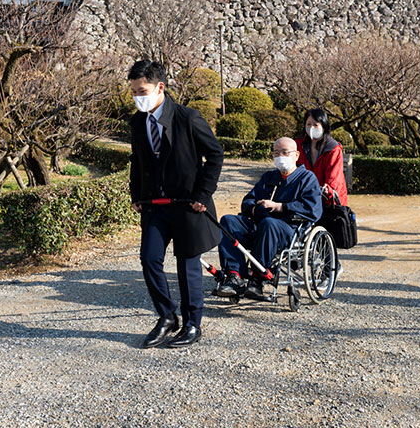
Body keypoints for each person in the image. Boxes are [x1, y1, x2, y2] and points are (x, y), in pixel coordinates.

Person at [128, 60, 224, 349]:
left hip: (187, 205)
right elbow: (137, 162)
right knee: (149, 259)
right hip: (154, 205)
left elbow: (215, 156)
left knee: (187, 265)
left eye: (141, 91)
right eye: (133, 92)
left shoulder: (188, 118)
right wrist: (136, 195)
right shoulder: (137, 121)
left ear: (161, 87)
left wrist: (202, 195)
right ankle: (167, 315)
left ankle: (193, 323)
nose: (137, 97)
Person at [214, 137, 323, 300]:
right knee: (228, 221)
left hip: (288, 228)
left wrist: (280, 206)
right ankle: (234, 275)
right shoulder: (269, 177)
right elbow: (248, 199)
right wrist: (253, 207)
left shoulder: (307, 178)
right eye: (276, 153)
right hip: (259, 223)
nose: (280, 157)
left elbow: (312, 208)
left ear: (297, 155)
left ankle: (258, 278)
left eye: (285, 153)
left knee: (269, 224)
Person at [295, 108, 348, 205]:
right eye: (308, 124)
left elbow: (334, 176)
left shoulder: (333, 148)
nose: (311, 128)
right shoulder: (298, 145)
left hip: (327, 199)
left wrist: (328, 190)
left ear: (324, 126)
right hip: (304, 196)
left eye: (315, 124)